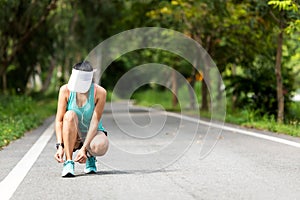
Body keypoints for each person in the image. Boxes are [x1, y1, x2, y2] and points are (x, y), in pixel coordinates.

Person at [54, 61, 109, 177]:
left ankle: (90, 156)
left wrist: (84, 149)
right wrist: (60, 146)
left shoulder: (100, 92)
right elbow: (59, 121)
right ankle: (69, 162)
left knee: (100, 145)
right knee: (69, 115)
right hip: (72, 134)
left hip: (92, 133)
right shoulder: (65, 90)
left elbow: (94, 122)